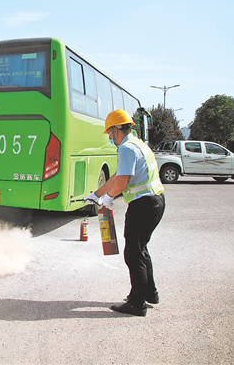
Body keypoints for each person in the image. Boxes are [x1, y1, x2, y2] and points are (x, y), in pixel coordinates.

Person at [84, 109, 165, 317]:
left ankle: (137, 304)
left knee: (133, 253)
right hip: (155, 201)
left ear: (114, 130)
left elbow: (121, 182)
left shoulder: (127, 148)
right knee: (141, 248)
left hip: (143, 205)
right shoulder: (138, 143)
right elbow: (118, 177)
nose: (110, 137)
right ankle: (149, 293)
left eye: (109, 133)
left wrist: (109, 199)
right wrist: (97, 194)